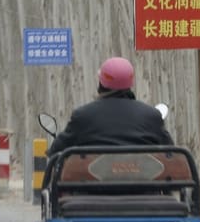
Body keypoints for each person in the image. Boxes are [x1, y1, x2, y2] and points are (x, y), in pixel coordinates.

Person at [44, 57, 173, 184]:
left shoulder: (82, 115)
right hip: (145, 190)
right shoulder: (151, 115)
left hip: (92, 192)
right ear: (131, 82)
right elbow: (170, 153)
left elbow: (56, 151)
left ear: (101, 83)